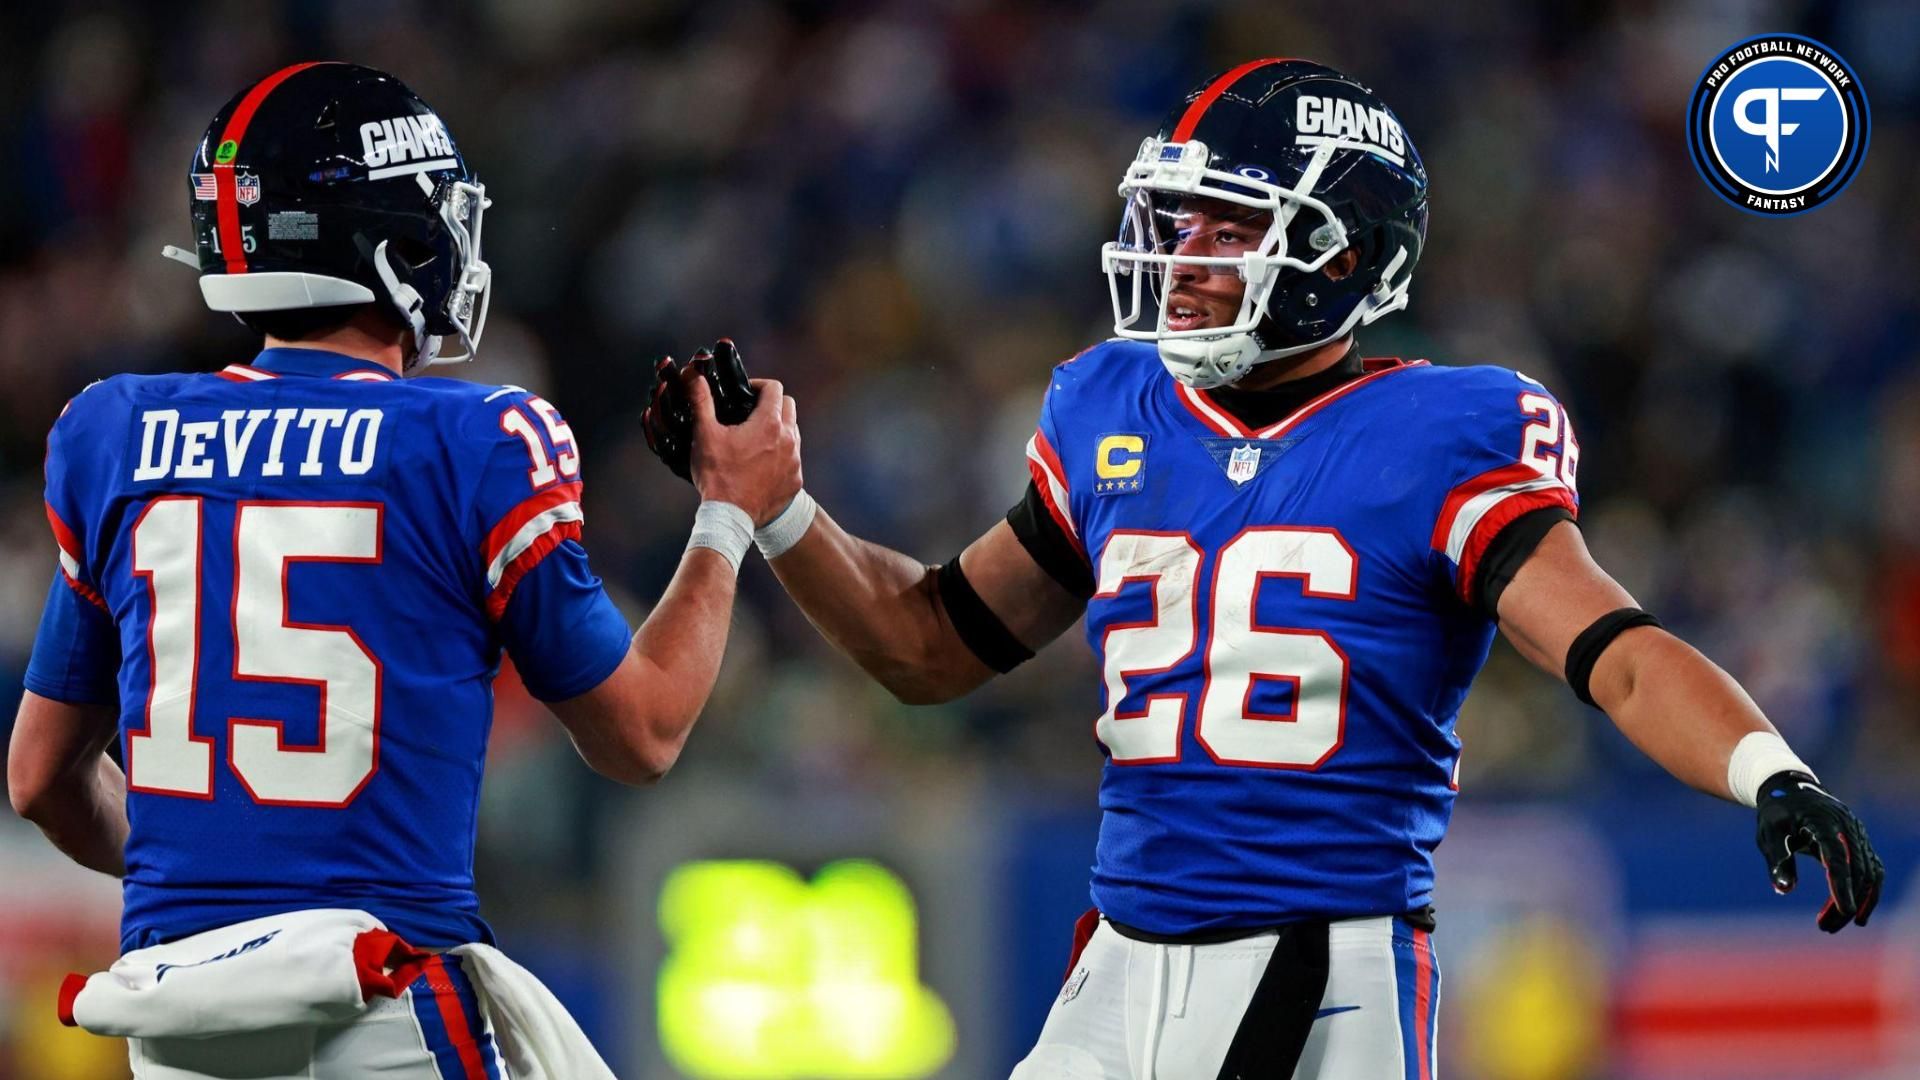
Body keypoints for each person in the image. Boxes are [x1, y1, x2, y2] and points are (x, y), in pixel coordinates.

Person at [645, 59, 1885, 1078]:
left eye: (1231, 225)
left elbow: (1612, 654)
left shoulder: (1441, 432)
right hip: (1116, 962)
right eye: (1181, 219)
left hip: (1319, 973)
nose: (1185, 253)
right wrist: (779, 509)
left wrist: (1766, 768)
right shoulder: (1113, 403)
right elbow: (931, 647)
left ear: (1342, 258)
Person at [6, 62, 799, 1079]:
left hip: (175, 1015)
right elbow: (640, 731)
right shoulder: (477, 436)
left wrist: (231, 895)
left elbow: (40, 778)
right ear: (394, 239)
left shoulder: (112, 430)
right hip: (382, 1005)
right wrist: (729, 512)